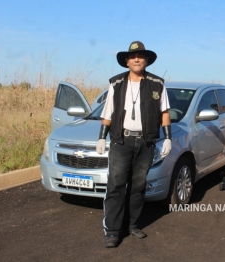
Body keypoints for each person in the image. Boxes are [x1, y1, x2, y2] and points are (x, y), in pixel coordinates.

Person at [96, 41, 172, 248]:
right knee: (116, 185)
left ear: (146, 60)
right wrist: (102, 137)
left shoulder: (157, 84)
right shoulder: (116, 83)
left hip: (146, 142)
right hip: (122, 141)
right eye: (132, 56)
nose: (136, 59)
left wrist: (168, 138)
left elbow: (164, 112)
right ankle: (112, 231)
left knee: (138, 187)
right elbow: (107, 113)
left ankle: (132, 225)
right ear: (127, 62)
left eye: (140, 56)